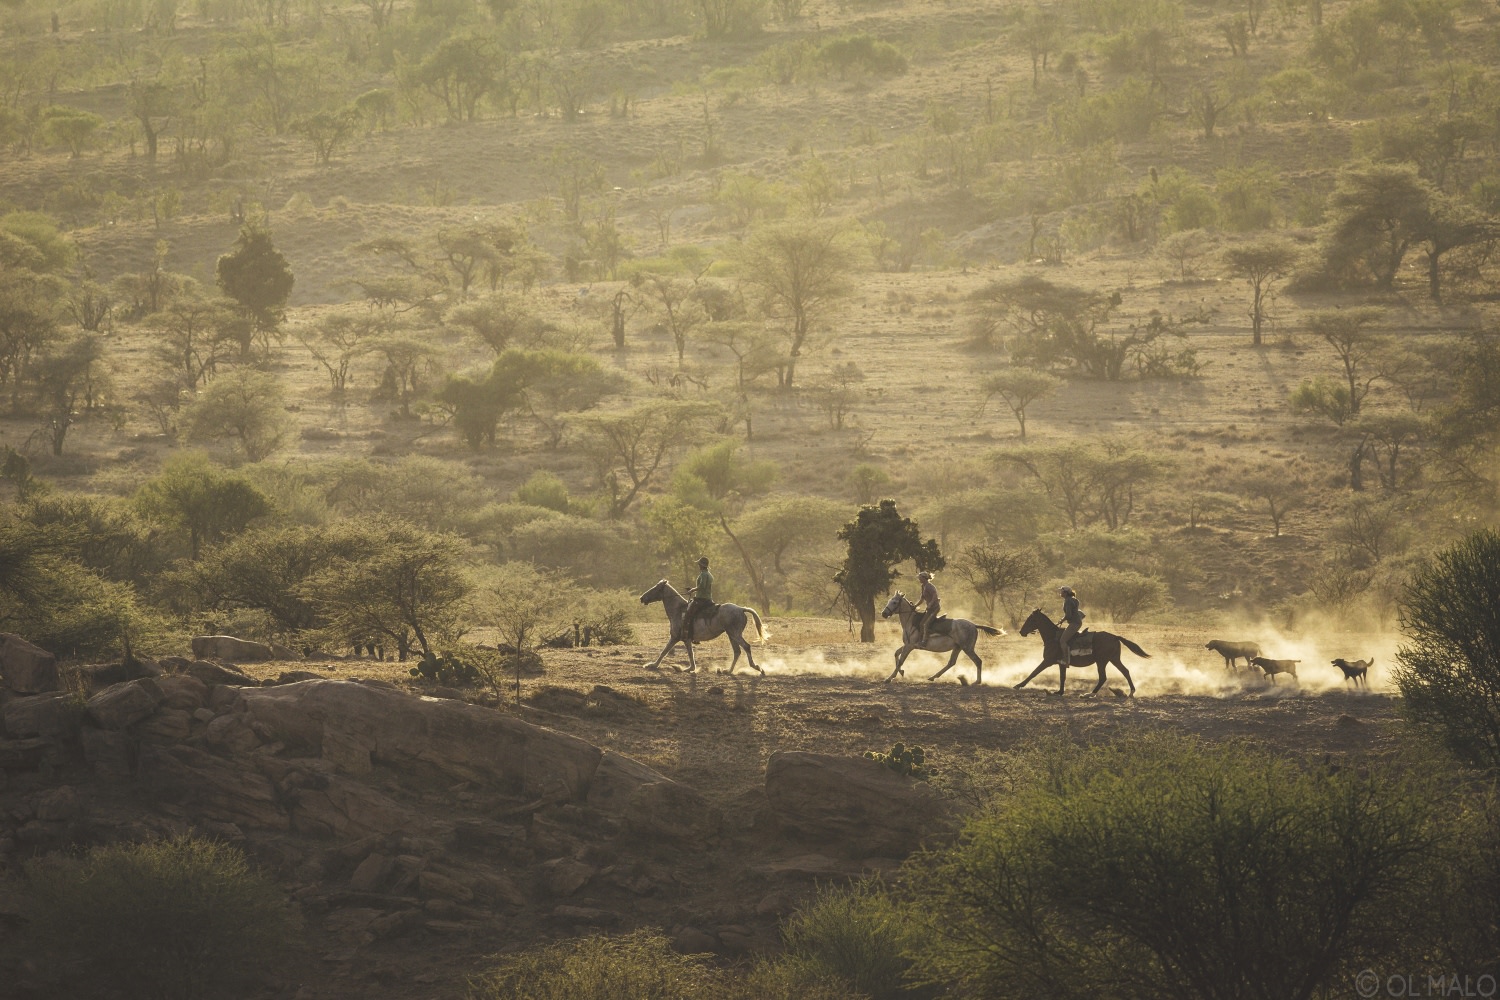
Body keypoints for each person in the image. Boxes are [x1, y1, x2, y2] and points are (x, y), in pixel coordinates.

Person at [684, 556, 714, 638]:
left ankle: (689, 635)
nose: (698, 566)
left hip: (701, 599)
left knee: (688, 614)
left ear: (702, 565)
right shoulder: (709, 574)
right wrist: (692, 589)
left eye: (699, 564)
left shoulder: (704, 574)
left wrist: (692, 590)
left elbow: (702, 586)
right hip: (708, 598)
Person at [1058, 585, 1085, 661]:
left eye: (1062, 591)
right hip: (1077, 623)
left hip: (1074, 624)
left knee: (1062, 641)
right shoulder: (1074, 600)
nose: (1060, 592)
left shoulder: (1068, 601)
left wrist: (1062, 620)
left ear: (1065, 593)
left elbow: (1068, 615)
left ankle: (1066, 659)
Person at [916, 570, 941, 645]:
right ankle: (919, 640)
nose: (919, 579)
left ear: (924, 578)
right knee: (921, 624)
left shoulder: (930, 586)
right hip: (929, 610)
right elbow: (922, 598)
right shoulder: (923, 586)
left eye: (920, 578)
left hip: (935, 608)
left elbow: (935, 596)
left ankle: (925, 641)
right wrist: (915, 605)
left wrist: (930, 604)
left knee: (926, 624)